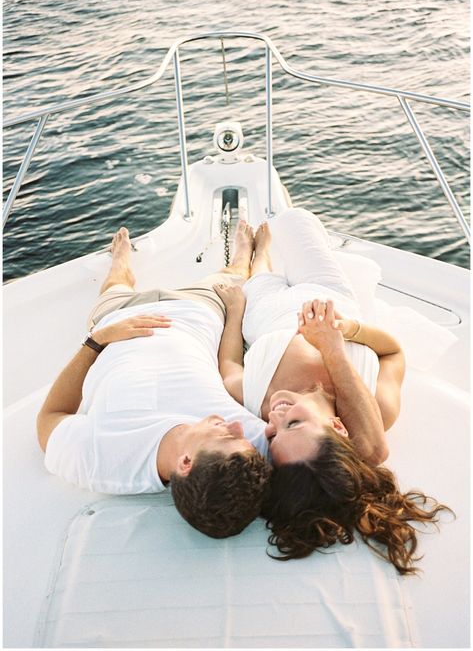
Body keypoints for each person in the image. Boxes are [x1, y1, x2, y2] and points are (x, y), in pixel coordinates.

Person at [216, 208, 451, 574]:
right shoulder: (376, 410)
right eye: (292, 424)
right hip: (329, 297)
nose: (274, 417)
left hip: (264, 314)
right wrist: (339, 336)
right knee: (294, 219)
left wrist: (235, 310)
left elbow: (230, 366)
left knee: (260, 272)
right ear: (339, 428)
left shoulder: (259, 402)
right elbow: (393, 351)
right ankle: (264, 250)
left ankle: (253, 253)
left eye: (273, 435)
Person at [37, 223, 272, 539]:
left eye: (227, 436)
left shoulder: (98, 458)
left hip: (117, 318)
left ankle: (120, 261)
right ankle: (243, 251)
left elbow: (50, 418)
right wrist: (234, 313)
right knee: (234, 272)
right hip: (199, 310)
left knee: (115, 283)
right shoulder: (250, 450)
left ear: (185, 463)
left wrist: (97, 341)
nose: (238, 427)